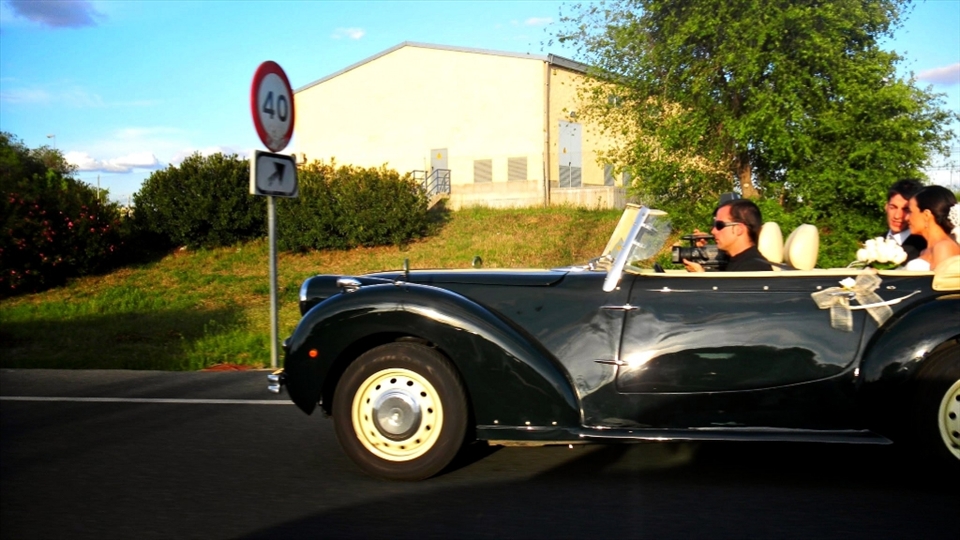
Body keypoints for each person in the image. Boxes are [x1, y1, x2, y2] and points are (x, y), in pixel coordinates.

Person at [683, 199, 772, 272]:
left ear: (738, 229)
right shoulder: (736, 261)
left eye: (719, 225)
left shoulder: (753, 269)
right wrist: (701, 252)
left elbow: (723, 292)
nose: (713, 231)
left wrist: (701, 277)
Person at [903, 185, 960, 271]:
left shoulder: (943, 247)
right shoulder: (926, 250)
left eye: (910, 211)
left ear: (926, 215)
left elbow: (941, 283)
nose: (906, 218)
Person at [885, 179, 927, 261]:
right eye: (893, 207)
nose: (897, 216)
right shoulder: (875, 243)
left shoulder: (923, 247)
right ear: (886, 206)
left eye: (906, 210)